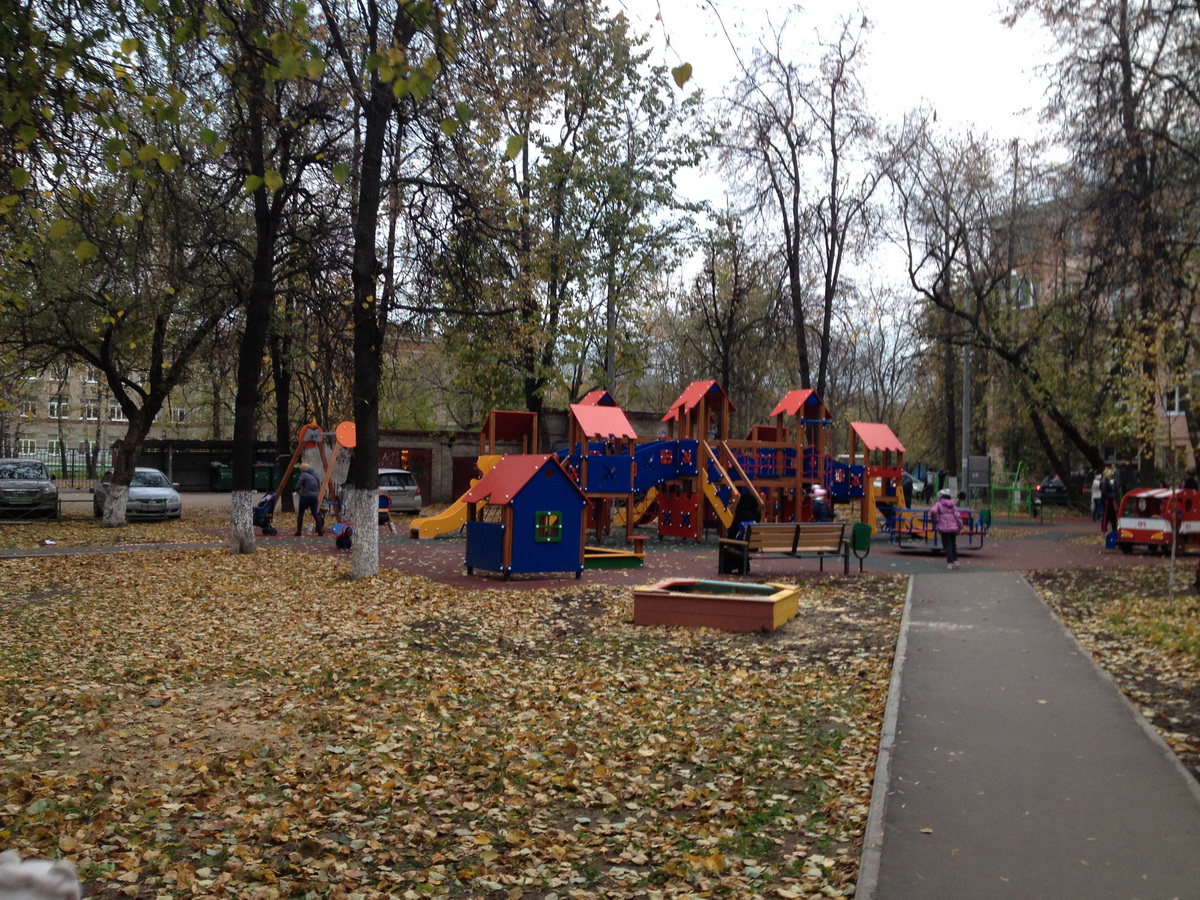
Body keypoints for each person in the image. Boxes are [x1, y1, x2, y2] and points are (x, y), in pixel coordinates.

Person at [930, 488, 963, 569]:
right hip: (954, 527)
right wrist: (960, 526)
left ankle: (950, 562)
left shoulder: (939, 504)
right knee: (953, 544)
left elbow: (933, 511)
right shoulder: (953, 505)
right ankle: (955, 560)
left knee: (947, 545)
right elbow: (958, 516)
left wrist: (935, 518)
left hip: (944, 527)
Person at [295, 463, 324, 536]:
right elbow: (318, 486)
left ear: (302, 469)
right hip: (314, 497)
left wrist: (299, 491)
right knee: (315, 513)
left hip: (305, 496)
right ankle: (320, 530)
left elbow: (298, 486)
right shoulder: (315, 475)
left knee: (301, 513)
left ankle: (299, 531)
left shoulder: (303, 475)